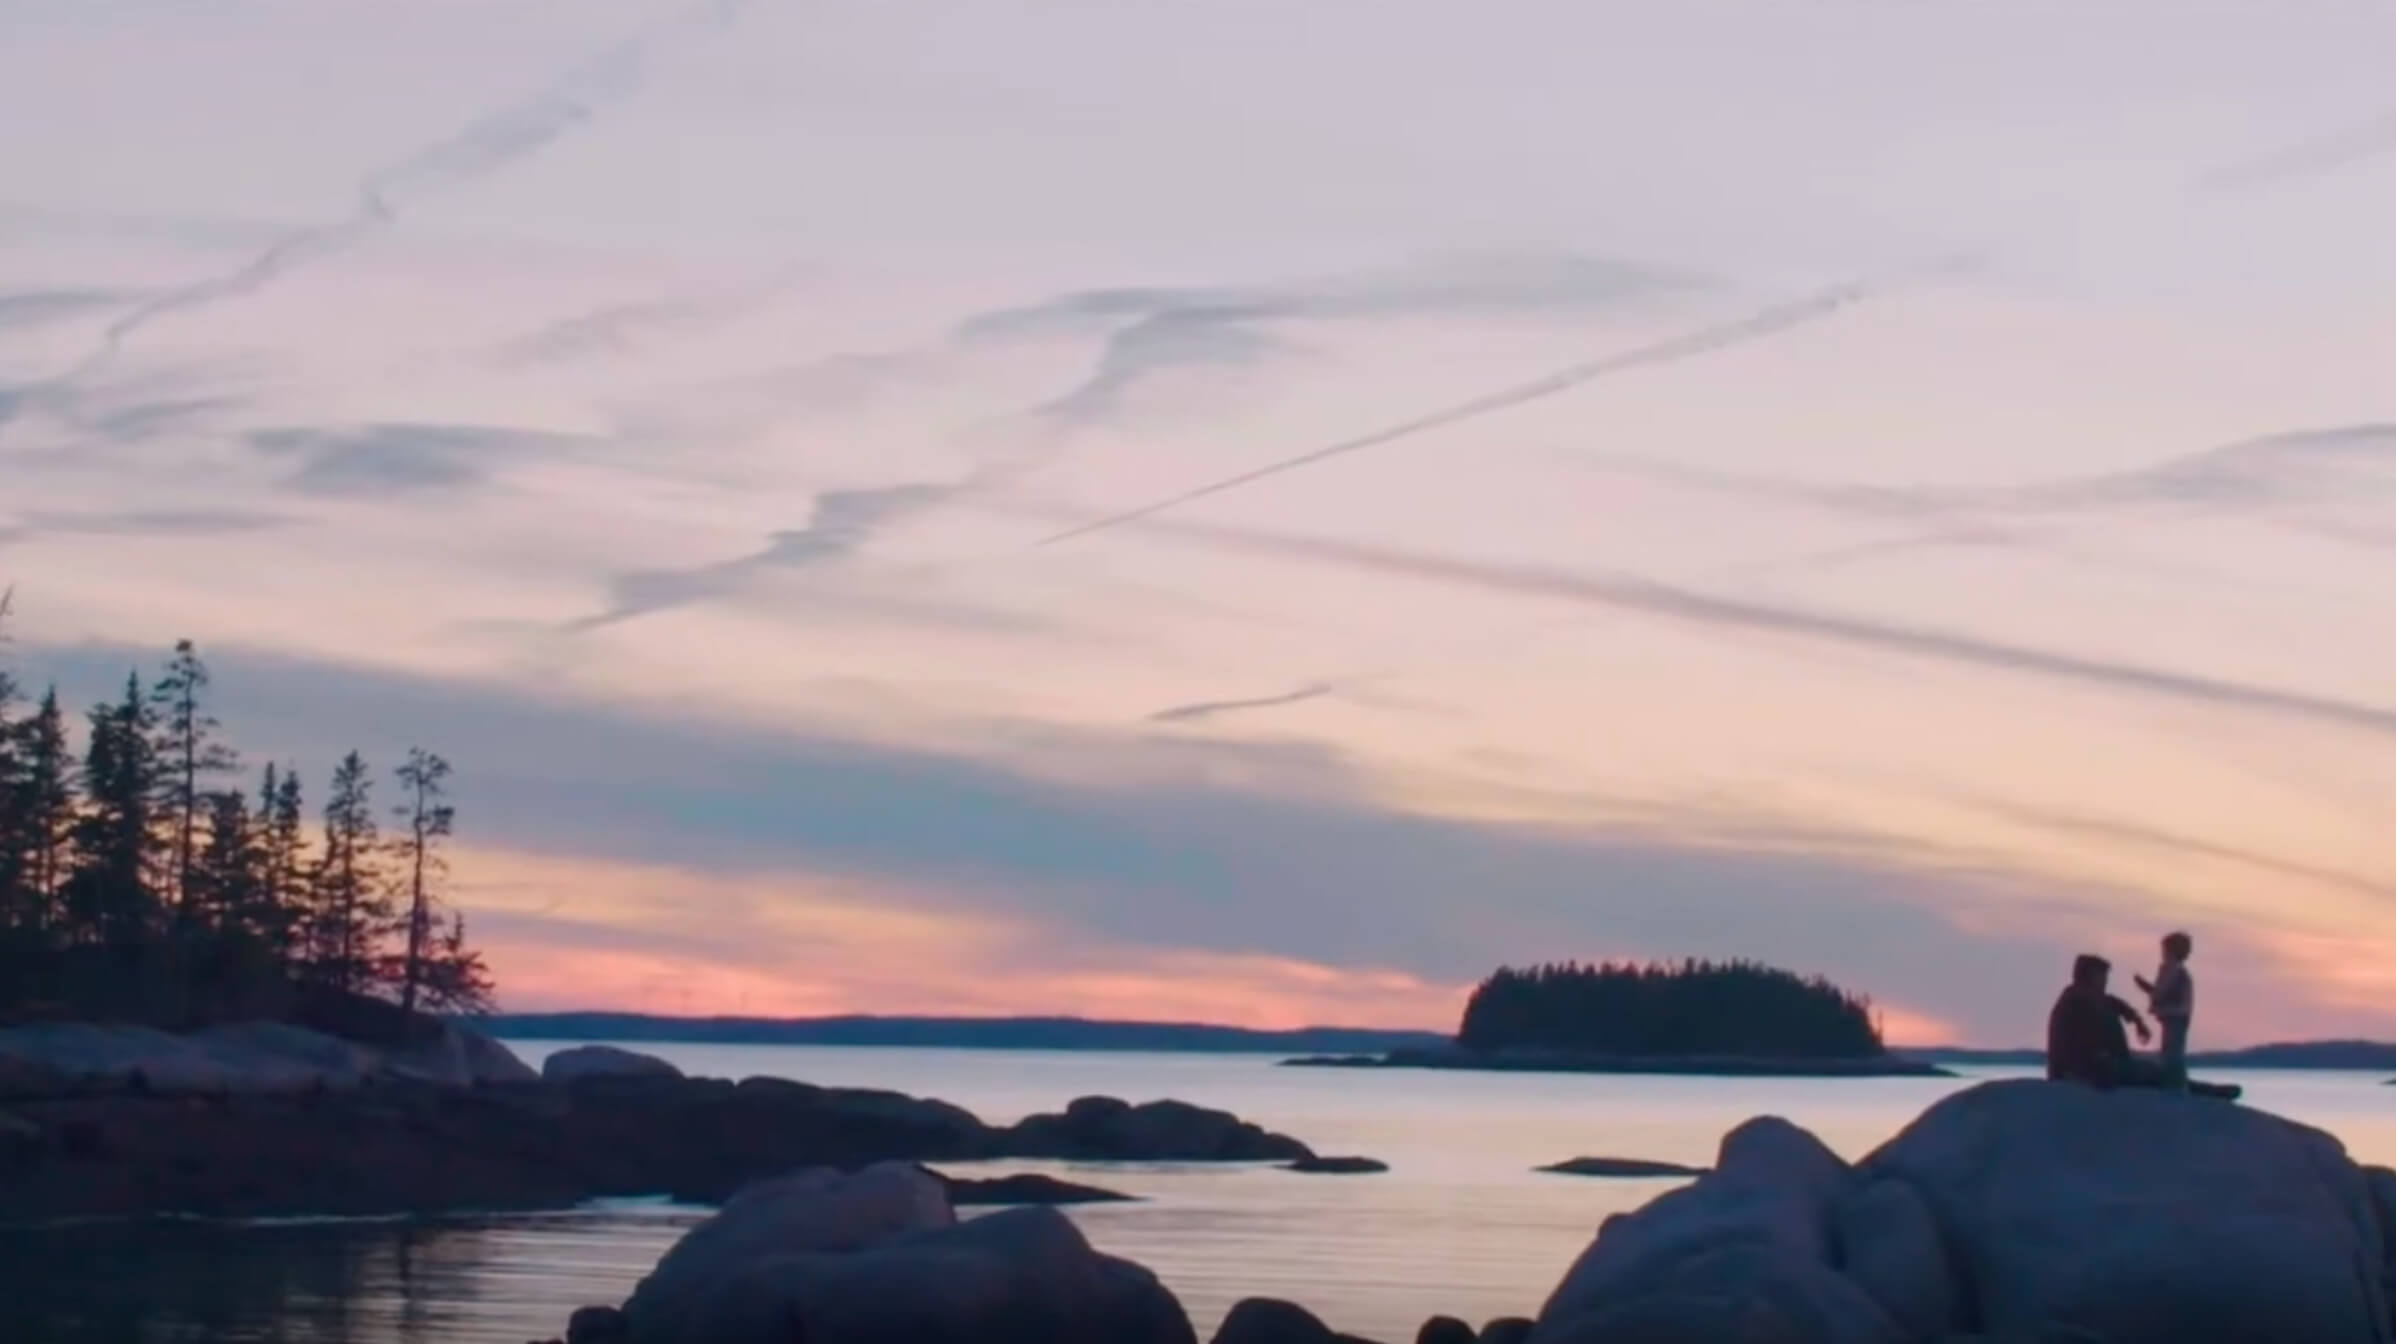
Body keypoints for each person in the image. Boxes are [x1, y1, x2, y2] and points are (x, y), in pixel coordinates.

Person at [2046, 952, 2153, 1088]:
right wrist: (2101, 1061)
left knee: (2152, 1070)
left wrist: (2137, 1021)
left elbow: (2116, 1004)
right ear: (2090, 977)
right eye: (2101, 976)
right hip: (2081, 1069)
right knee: (2152, 1073)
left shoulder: (2097, 1000)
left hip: (2101, 1065)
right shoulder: (2076, 1004)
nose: (2105, 981)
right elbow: (2084, 1040)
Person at [2135, 931, 2195, 1087]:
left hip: (2176, 1016)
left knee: (2172, 1054)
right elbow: (2162, 992)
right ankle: (2175, 1084)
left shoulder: (2174, 970)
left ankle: (2175, 1086)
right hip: (2174, 1016)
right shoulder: (2176, 971)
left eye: (2165, 950)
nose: (2163, 953)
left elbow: (2162, 992)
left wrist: (2146, 987)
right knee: (2172, 1051)